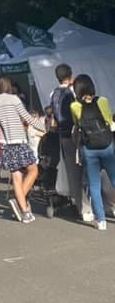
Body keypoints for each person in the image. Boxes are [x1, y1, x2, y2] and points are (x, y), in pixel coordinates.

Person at [0, 77, 45, 223]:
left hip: (5, 144)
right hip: (19, 141)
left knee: (16, 177)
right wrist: (44, 127)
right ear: (8, 86)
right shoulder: (13, 99)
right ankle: (19, 202)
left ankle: (24, 211)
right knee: (33, 170)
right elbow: (27, 118)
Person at [70, 74, 115, 231]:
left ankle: (101, 221)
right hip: (107, 145)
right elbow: (109, 121)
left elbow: (77, 124)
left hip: (88, 149)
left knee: (94, 185)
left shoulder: (75, 106)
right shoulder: (102, 101)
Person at [50, 63, 93, 222]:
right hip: (78, 134)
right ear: (71, 75)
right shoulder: (73, 91)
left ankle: (84, 209)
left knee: (73, 174)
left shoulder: (53, 93)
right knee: (93, 168)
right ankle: (101, 204)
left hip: (64, 136)